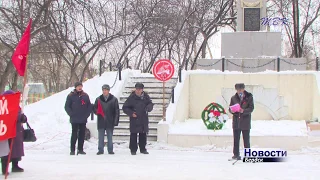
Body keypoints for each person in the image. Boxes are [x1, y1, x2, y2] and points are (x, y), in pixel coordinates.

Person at [1, 90, 28, 175]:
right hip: (7, 131)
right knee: (6, 150)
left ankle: (15, 165)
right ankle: (5, 168)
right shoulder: (4, 106)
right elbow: (11, 115)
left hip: (17, 131)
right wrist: (20, 117)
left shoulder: (17, 106)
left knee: (16, 149)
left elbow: (19, 114)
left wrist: (23, 118)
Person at [122, 83, 154, 155]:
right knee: (133, 135)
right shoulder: (131, 97)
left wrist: (148, 108)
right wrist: (131, 113)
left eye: (139, 89)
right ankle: (133, 150)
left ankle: (143, 149)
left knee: (143, 135)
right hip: (134, 119)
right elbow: (125, 107)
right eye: (137, 89)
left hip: (143, 118)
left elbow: (150, 104)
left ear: (142, 90)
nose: (138, 91)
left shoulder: (146, 97)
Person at [65, 82, 92, 155]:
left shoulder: (85, 96)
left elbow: (89, 106)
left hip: (83, 118)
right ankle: (72, 150)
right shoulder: (71, 96)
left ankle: (80, 149)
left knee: (82, 134)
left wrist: (87, 115)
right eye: (78, 86)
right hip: (74, 119)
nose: (79, 88)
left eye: (81, 86)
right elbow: (67, 106)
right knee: (74, 134)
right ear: (75, 87)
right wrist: (71, 114)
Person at [229, 83, 254, 160]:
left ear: (243, 89)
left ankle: (248, 155)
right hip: (236, 121)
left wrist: (243, 111)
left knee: (246, 139)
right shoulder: (233, 98)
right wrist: (232, 110)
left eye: (240, 89)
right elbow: (230, 108)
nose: (239, 91)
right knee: (236, 139)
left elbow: (251, 108)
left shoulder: (249, 97)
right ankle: (236, 154)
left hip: (245, 121)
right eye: (238, 90)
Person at [93, 84, 120, 155]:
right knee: (101, 137)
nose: (104, 91)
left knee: (110, 137)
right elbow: (94, 108)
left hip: (110, 120)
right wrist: (97, 111)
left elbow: (116, 111)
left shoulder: (114, 99)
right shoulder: (98, 99)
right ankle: (100, 149)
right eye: (103, 90)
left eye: (106, 90)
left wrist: (115, 121)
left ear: (108, 91)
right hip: (101, 120)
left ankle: (110, 149)